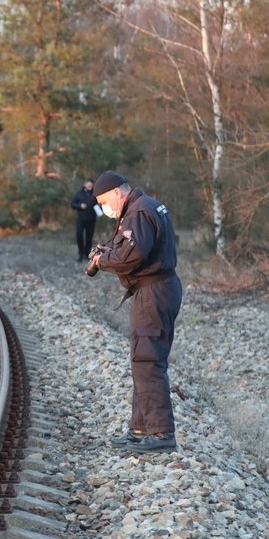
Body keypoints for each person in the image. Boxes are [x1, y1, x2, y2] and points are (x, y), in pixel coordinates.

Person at [89, 170, 182, 453]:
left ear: (118, 192)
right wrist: (110, 252)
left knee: (147, 360)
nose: (105, 208)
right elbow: (135, 248)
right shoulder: (145, 206)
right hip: (157, 290)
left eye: (106, 201)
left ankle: (161, 432)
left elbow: (132, 255)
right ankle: (141, 429)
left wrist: (102, 259)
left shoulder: (138, 213)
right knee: (143, 359)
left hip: (154, 292)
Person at [71, 178, 98, 261]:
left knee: (89, 237)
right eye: (88, 184)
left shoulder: (95, 195)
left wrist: (99, 209)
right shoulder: (79, 194)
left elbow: (99, 204)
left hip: (91, 219)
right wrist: (79, 205)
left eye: (91, 185)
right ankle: (80, 254)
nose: (90, 186)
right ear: (85, 184)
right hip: (81, 219)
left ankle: (86, 255)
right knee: (79, 235)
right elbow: (72, 204)